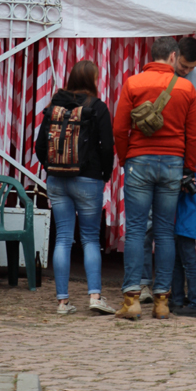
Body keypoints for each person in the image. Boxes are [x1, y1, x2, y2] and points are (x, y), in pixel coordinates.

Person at [113, 36, 196, 320]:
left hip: (139, 161)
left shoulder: (133, 83)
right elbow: (194, 135)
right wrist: (188, 168)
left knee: (136, 231)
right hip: (173, 163)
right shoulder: (186, 88)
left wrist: (126, 159)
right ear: (174, 56)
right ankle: (162, 301)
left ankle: (132, 300)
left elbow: (119, 129)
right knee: (164, 232)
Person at [36, 59, 115, 315]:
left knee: (63, 238)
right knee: (90, 238)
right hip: (88, 179)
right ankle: (95, 296)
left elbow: (40, 146)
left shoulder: (54, 106)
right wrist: (104, 174)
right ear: (92, 80)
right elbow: (107, 146)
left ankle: (62, 302)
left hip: (57, 179)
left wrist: (51, 167)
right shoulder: (97, 107)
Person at [139, 36, 196, 304]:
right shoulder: (156, 77)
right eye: (183, 65)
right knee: (150, 224)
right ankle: (145, 284)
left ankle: (167, 289)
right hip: (161, 158)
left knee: (176, 227)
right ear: (174, 55)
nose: (186, 71)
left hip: (189, 161)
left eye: (192, 67)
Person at [170, 142, 196, 317]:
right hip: (193, 219)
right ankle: (177, 298)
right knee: (181, 261)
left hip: (184, 219)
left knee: (187, 263)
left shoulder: (187, 165)